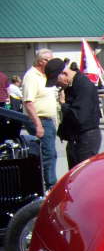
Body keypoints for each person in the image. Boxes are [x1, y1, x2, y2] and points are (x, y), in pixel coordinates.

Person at [54, 59, 101, 169]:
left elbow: (79, 116)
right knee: (73, 174)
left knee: (84, 173)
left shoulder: (83, 85)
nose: (57, 85)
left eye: (57, 81)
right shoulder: (70, 85)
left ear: (64, 74)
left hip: (86, 137)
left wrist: (63, 104)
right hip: (74, 137)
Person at [22, 49, 58, 189]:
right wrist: (38, 125)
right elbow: (28, 102)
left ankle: (48, 183)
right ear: (41, 61)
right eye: (50, 60)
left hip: (48, 119)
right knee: (48, 154)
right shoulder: (31, 76)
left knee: (51, 153)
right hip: (40, 119)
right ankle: (50, 186)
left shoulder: (44, 75)